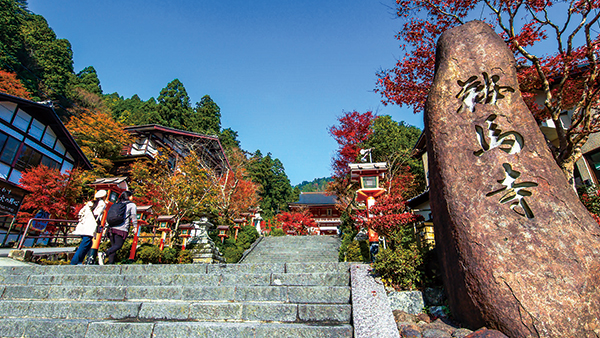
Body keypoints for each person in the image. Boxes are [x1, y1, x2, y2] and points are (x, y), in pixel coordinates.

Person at [98, 191, 136, 265]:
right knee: (118, 245)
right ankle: (104, 254)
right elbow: (133, 216)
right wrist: (135, 226)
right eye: (131, 196)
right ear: (128, 197)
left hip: (111, 228)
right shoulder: (131, 205)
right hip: (121, 228)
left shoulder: (116, 204)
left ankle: (110, 264)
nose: (132, 197)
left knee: (113, 247)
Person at [70, 190, 107, 265]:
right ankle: (74, 262)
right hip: (90, 226)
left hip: (83, 225)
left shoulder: (90, 203)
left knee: (89, 243)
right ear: (104, 197)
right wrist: (98, 224)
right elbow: (97, 214)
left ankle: (80, 261)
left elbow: (80, 213)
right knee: (85, 243)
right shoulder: (102, 204)